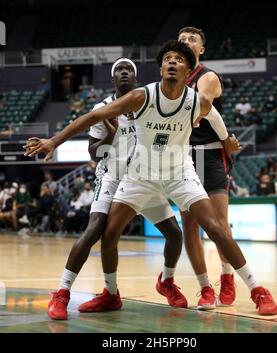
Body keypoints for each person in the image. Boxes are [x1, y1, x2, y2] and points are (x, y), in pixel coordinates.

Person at [25, 41, 277, 316]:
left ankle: (257, 290)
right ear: (160, 68)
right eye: (167, 59)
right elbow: (93, 115)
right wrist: (54, 140)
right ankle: (107, 294)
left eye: (178, 60)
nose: (172, 62)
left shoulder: (196, 101)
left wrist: (226, 140)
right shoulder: (142, 96)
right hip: (140, 175)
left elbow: (215, 119)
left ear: (187, 70)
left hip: (179, 173)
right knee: (108, 234)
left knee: (216, 227)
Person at [30, 58, 185, 320]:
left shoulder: (148, 104)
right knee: (94, 231)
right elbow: (94, 152)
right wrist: (111, 134)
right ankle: (64, 292)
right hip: (112, 176)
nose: (124, 73)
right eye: (118, 71)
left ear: (135, 79)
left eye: (129, 70)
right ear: (113, 80)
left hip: (142, 177)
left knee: (175, 234)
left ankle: (166, 281)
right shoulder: (102, 108)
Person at [178, 26, 240, 308]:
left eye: (192, 39)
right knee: (189, 225)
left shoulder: (207, 76)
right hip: (181, 157)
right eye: (182, 39)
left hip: (211, 154)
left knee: (218, 223)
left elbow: (202, 106)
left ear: (201, 49)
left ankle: (227, 275)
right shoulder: (170, 77)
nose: (186, 42)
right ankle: (205, 287)